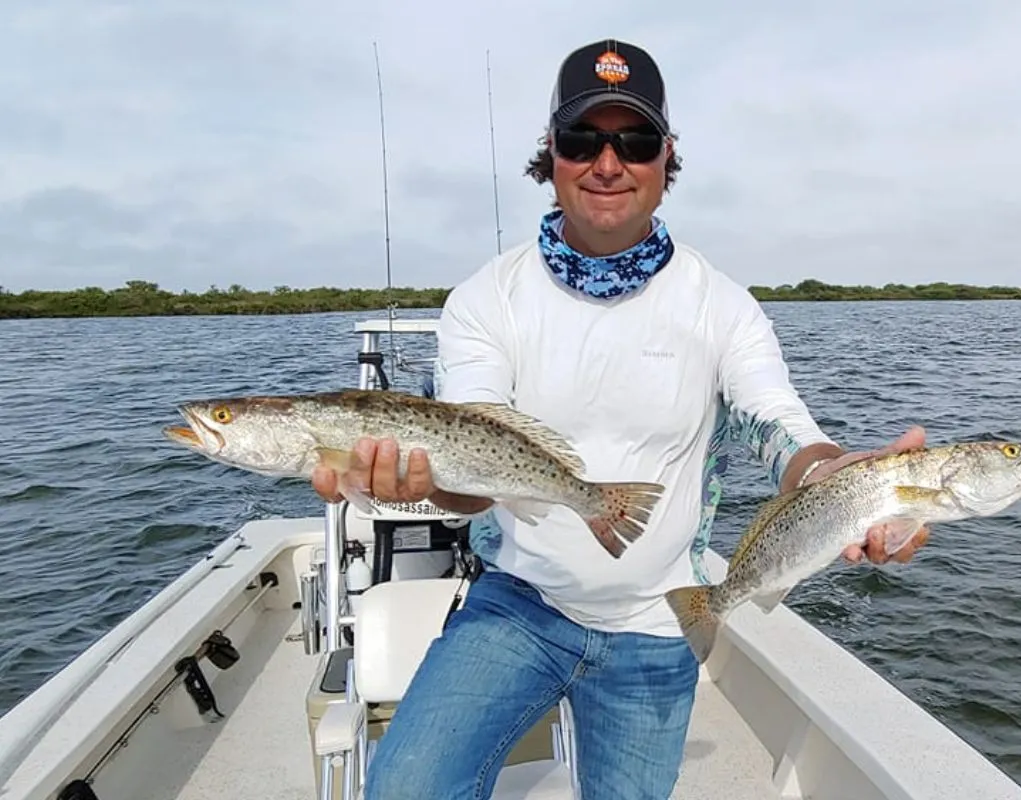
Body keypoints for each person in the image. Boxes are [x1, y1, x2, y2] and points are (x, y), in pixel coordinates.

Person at [313, 38, 931, 800]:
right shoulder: (485, 300)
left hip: (660, 621)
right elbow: (474, 480)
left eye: (635, 141)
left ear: (666, 159)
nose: (609, 162)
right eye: (583, 138)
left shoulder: (722, 306)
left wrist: (840, 480)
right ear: (552, 154)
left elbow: (780, 429)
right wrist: (430, 483)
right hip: (518, 601)